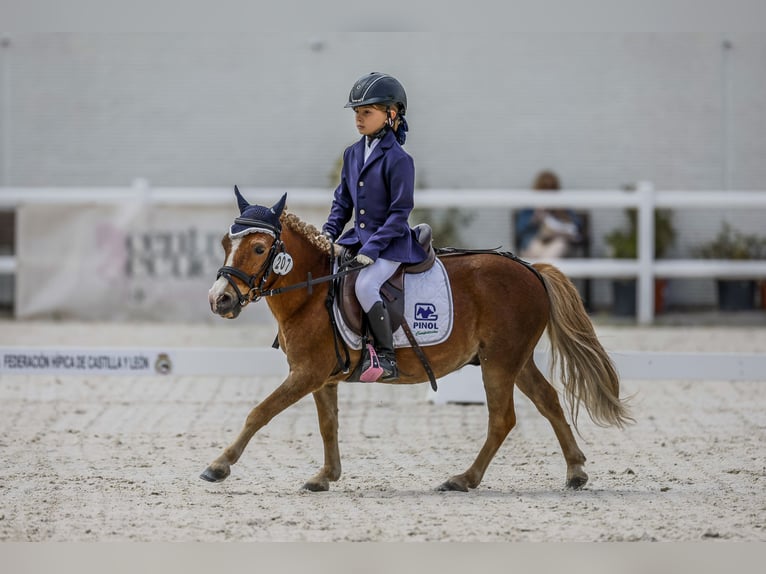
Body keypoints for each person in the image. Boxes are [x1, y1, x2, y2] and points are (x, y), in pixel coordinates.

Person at [321, 72, 427, 382]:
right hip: (358, 239)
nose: (358, 118)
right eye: (356, 112)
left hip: (390, 243)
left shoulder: (399, 159)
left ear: (390, 114)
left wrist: (372, 249)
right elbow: (342, 203)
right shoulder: (352, 153)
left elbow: (400, 213)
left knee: (366, 286)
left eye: (366, 112)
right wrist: (327, 234)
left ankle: (386, 356)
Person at [515, 170, 583, 259]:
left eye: (551, 188)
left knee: (559, 245)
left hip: (557, 241)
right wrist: (535, 218)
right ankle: (545, 270)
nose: (548, 192)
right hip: (535, 241)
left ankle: (541, 270)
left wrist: (561, 214)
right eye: (544, 188)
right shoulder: (530, 206)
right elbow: (520, 229)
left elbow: (576, 226)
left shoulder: (562, 205)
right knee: (536, 249)